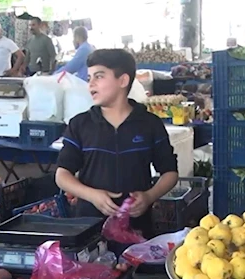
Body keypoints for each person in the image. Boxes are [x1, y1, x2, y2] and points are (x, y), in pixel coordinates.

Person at [55, 49, 178, 243]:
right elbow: (62, 175)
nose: (91, 84)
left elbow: (170, 172)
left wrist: (149, 196)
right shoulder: (80, 124)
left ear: (123, 81)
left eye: (99, 76)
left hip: (137, 229)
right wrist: (93, 196)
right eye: (89, 78)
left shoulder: (150, 124)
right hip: (89, 229)